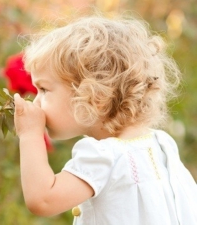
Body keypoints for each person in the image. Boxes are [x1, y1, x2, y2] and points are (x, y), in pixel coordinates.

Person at [13, 15, 197, 224]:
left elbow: (43, 200)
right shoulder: (162, 144)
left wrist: (29, 134)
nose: (36, 102)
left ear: (94, 95)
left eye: (44, 89)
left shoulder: (105, 157)